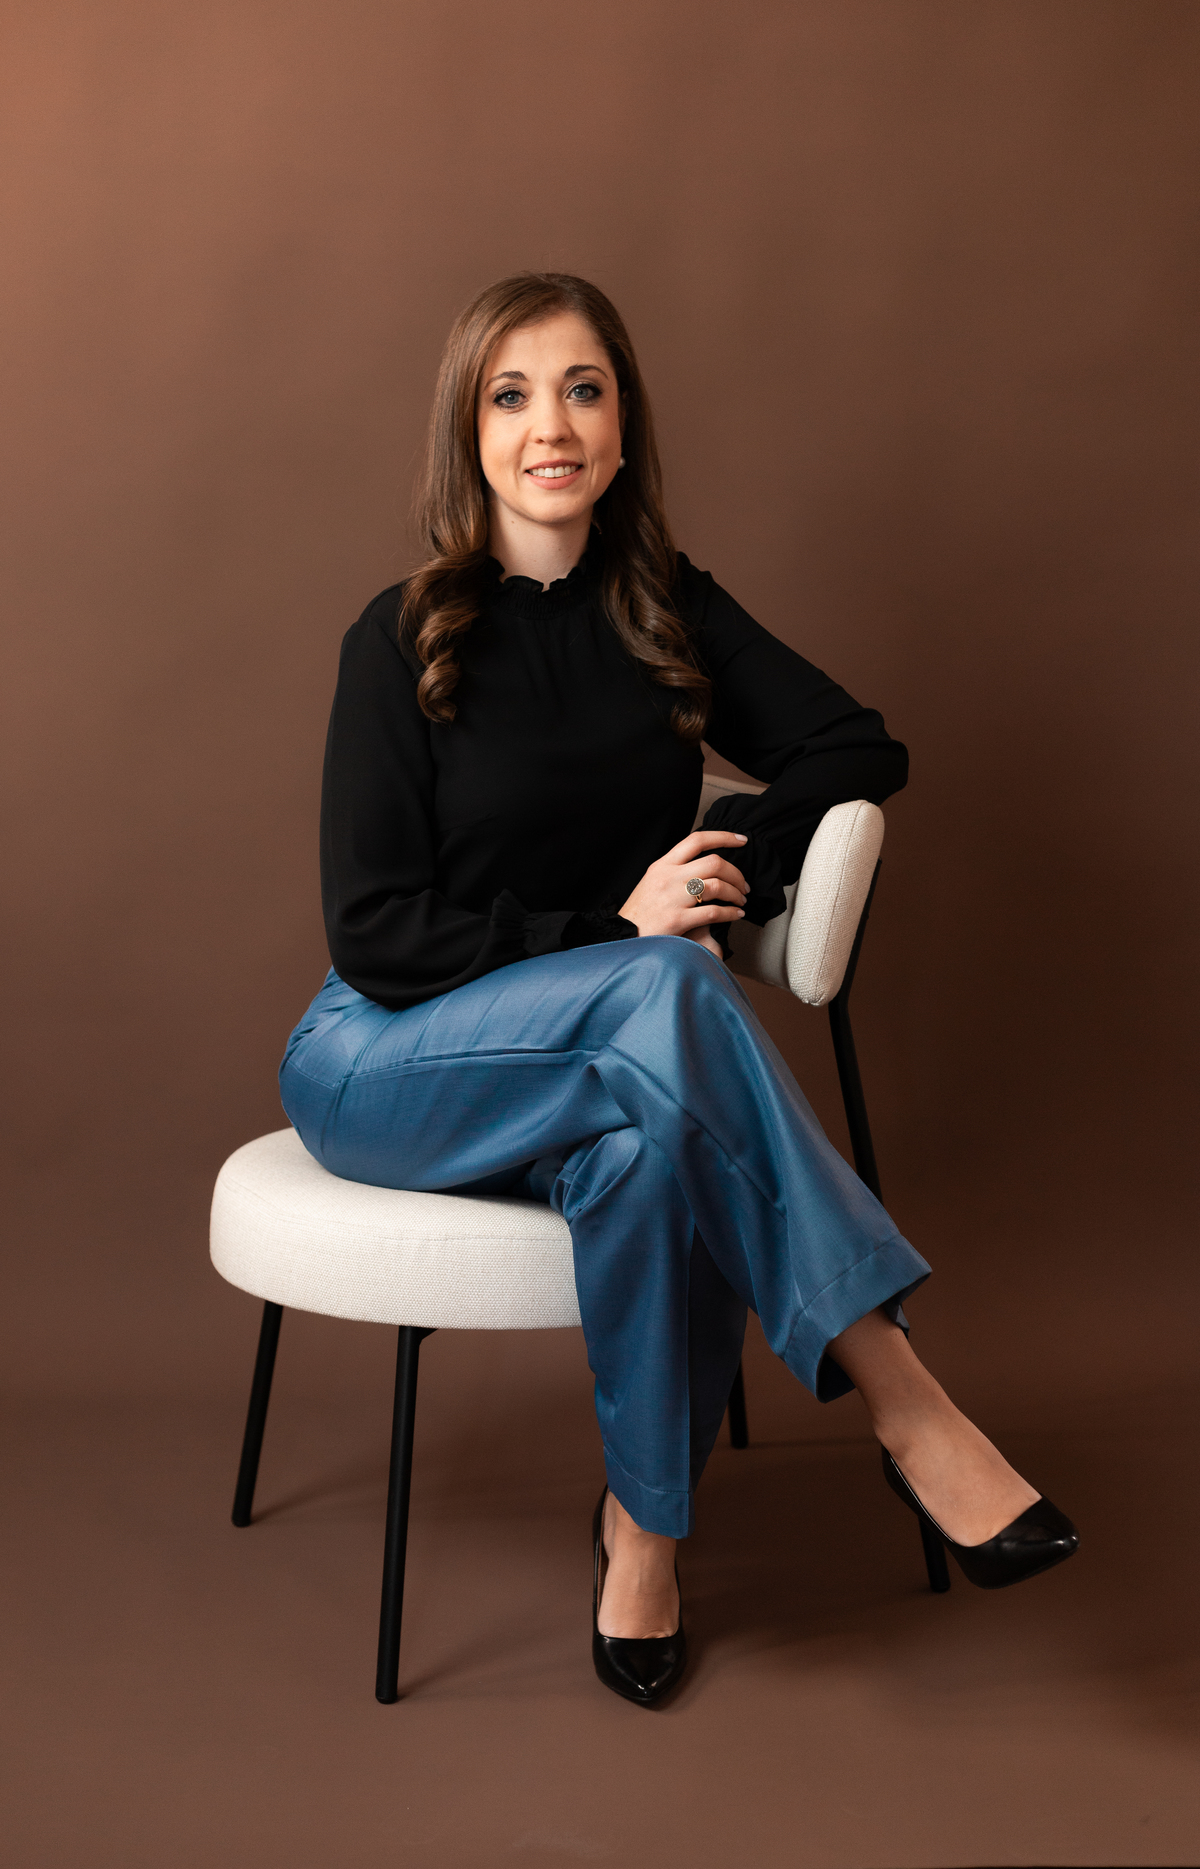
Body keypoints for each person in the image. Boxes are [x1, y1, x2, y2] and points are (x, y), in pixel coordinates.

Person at [280, 272, 1077, 1707]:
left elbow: (857, 745)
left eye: (582, 389)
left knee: (654, 1141)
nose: (550, 426)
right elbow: (378, 930)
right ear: (469, 432)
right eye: (511, 396)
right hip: (384, 1058)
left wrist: (722, 862)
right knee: (656, 984)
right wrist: (617, 927)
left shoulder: (668, 613)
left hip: (600, 1062)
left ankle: (642, 1536)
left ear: (624, 425)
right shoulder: (397, 638)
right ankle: (905, 1399)